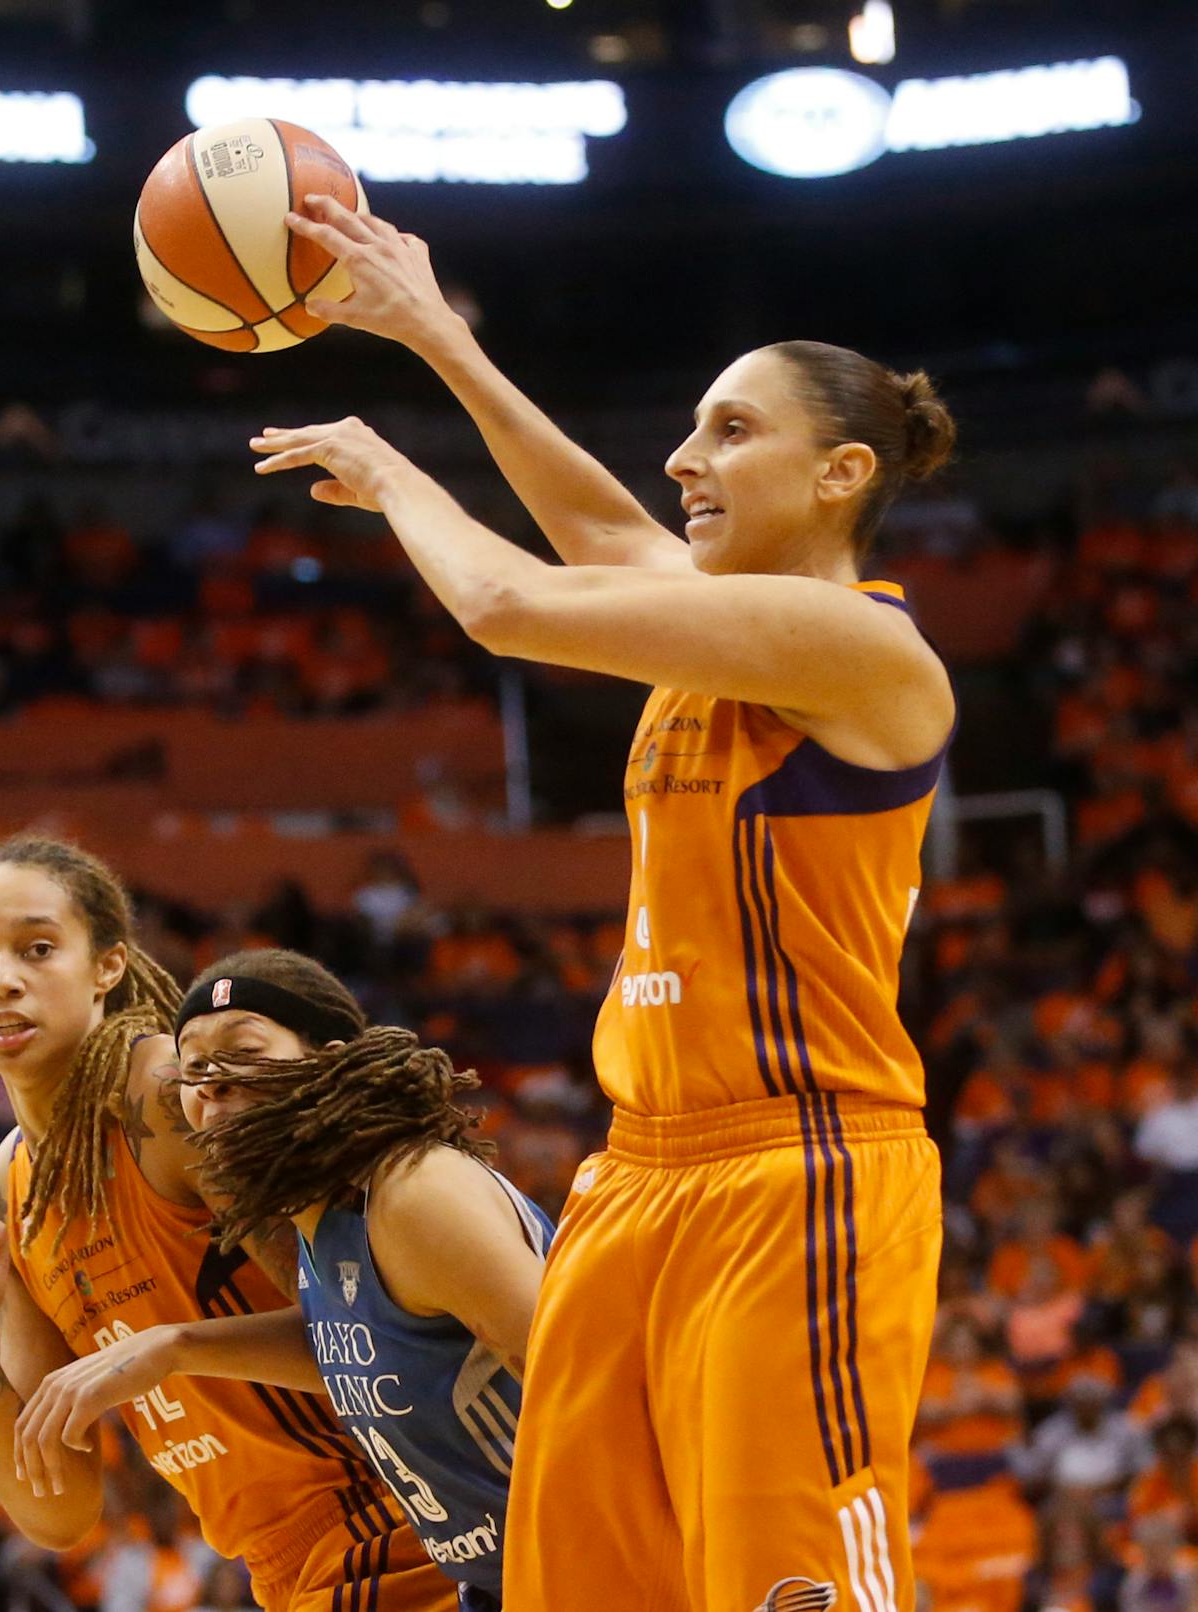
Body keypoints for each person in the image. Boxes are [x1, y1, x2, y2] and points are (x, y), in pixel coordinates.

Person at [255, 196, 954, 1610]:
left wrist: (401, 480)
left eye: (733, 432)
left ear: (844, 474)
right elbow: (596, 528)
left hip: (797, 1170)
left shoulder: (861, 647)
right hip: (639, 1178)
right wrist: (437, 336)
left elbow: (511, 602)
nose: (686, 460)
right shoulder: (724, 629)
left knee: (784, 1582)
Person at [0, 835, 454, 1612]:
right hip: (285, 1567)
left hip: (397, 1517)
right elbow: (58, 1510)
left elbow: (371, 1339)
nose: (2, 982)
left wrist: (176, 1348)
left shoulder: (174, 1099)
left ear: (108, 966)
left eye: (37, 949)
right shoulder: (4, 1188)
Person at [12, 949, 549, 1611]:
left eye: (245, 1048)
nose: (212, 1081)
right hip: (500, 1581)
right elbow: (348, 1350)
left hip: (587, 1563)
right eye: (194, 1066)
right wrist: (174, 1347)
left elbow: (587, 1389)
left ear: (328, 1060)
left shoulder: (412, 1194)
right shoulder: (328, 1230)